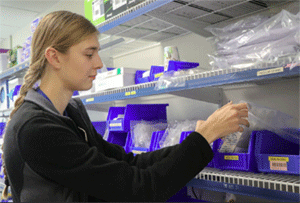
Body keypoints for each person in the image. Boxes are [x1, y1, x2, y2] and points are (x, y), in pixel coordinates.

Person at [1, 10, 249, 202]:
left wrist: (197, 138)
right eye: (89, 54)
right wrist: (205, 137)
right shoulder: (36, 129)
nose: (99, 63)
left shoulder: (72, 112)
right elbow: (139, 188)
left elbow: (130, 163)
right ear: (54, 57)